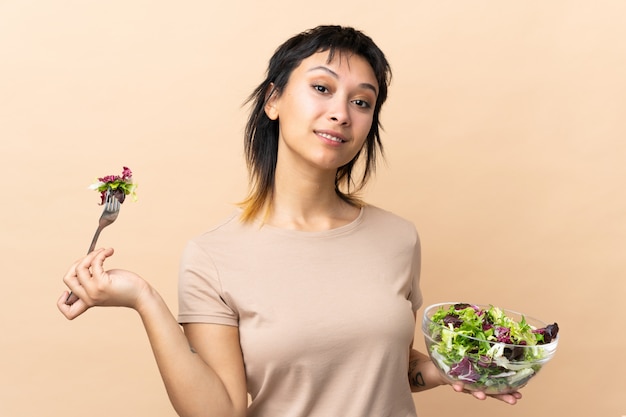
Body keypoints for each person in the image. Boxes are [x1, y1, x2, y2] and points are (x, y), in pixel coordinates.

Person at [58, 25, 521, 416]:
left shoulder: (398, 237)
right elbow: (221, 410)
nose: (341, 113)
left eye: (363, 101)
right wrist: (144, 299)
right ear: (273, 101)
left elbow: (373, 362)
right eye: (322, 89)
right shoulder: (213, 256)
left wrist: (441, 370)